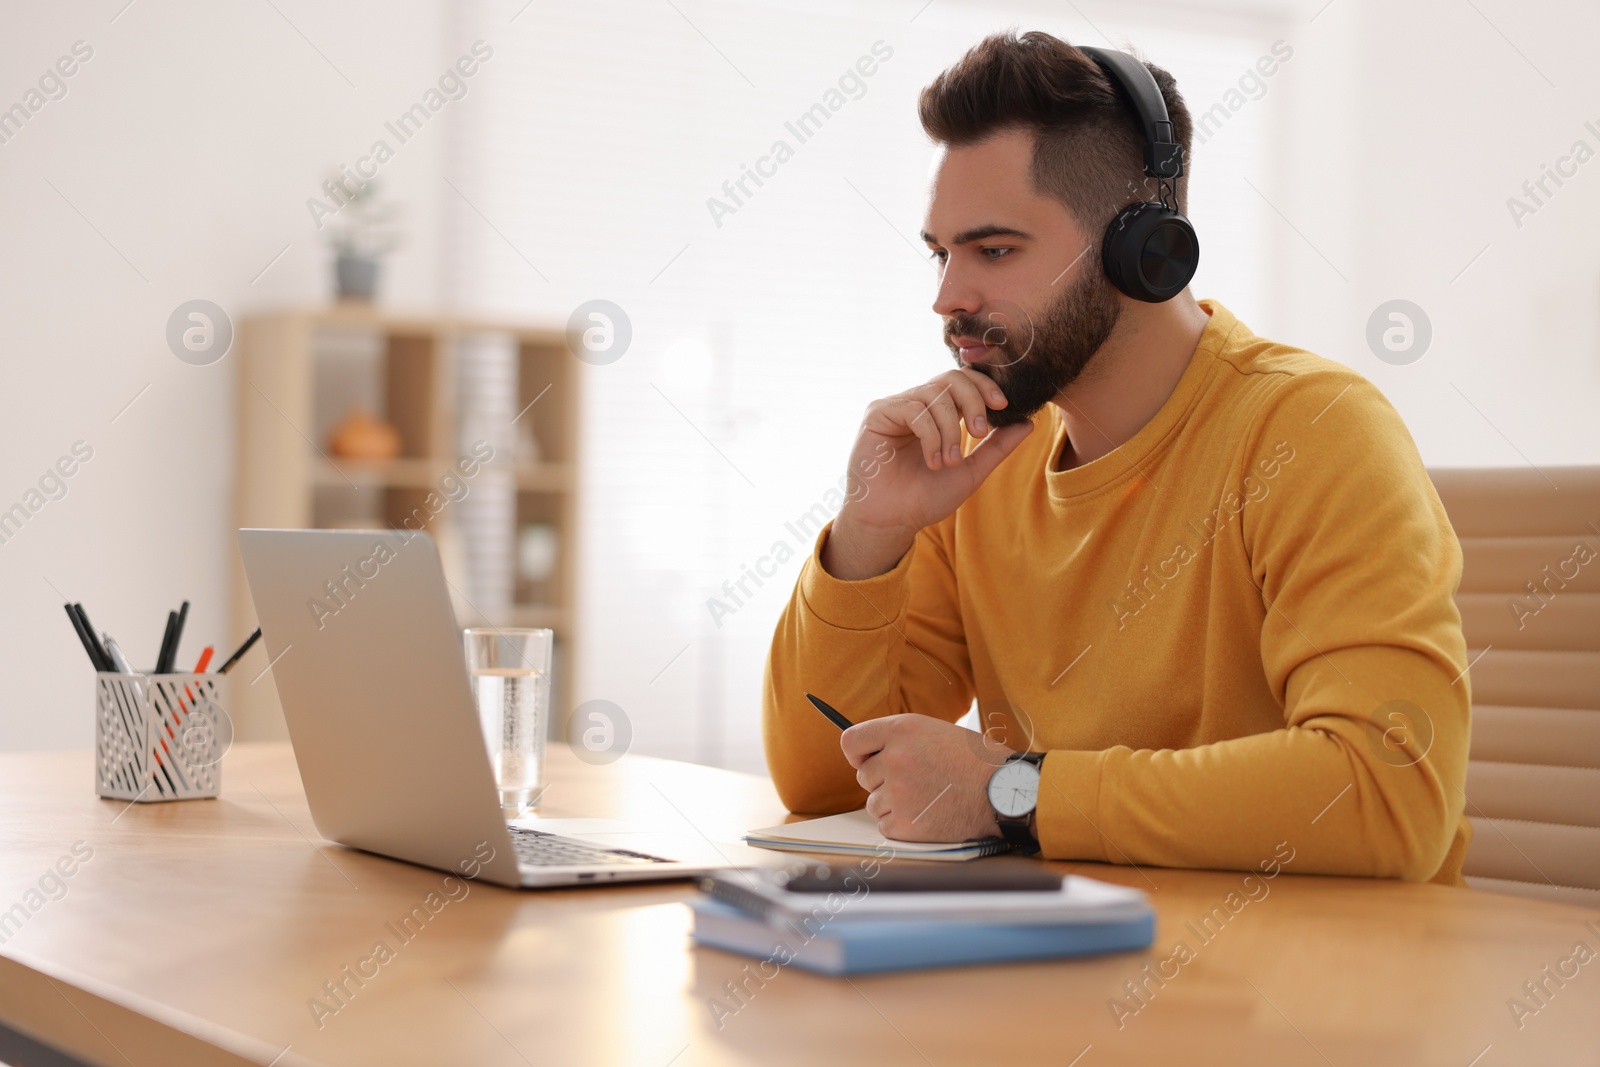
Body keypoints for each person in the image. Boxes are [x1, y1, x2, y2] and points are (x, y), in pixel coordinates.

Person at [761, 30, 1471, 884]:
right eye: (940, 253)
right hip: (1073, 974)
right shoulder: (978, 468)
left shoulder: (1313, 432)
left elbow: (1386, 794)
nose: (947, 298)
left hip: (1306, 986)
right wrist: (867, 535)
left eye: (993, 251)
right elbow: (822, 781)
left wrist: (1013, 793)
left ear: (1143, 249)